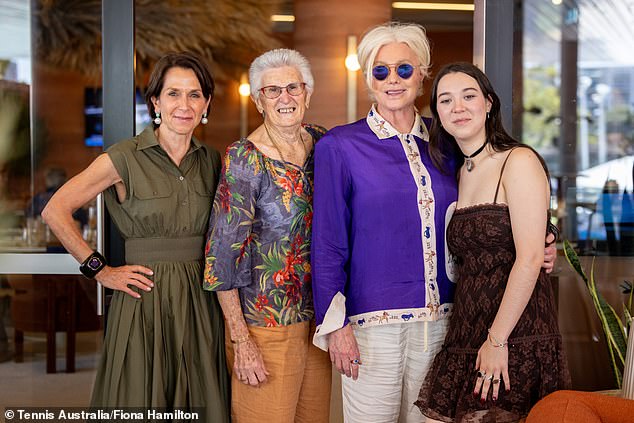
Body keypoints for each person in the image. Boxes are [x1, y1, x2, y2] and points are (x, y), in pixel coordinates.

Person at [310, 22, 557, 423]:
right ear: (368, 78)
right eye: (381, 70)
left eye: (404, 69)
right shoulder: (340, 146)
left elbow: (490, 203)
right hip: (373, 328)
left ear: (422, 73)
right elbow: (327, 244)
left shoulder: (445, 146)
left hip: (447, 325)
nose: (393, 80)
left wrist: (545, 236)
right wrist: (335, 325)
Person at [42, 52, 230, 421]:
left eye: (195, 95)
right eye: (173, 94)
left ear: (206, 103)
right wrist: (100, 270)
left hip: (201, 300)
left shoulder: (212, 160)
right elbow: (55, 210)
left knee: (201, 399)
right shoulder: (123, 157)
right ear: (156, 101)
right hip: (145, 298)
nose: (184, 104)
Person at [415, 62, 570, 422]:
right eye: (446, 100)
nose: (458, 107)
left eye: (469, 96)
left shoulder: (517, 160)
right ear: (437, 113)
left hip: (514, 332)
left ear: (488, 104)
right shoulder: (457, 171)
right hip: (468, 329)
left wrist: (497, 341)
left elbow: (530, 258)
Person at [203, 48, 331, 423]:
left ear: (307, 93)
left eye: (293, 87)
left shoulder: (323, 144)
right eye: (272, 91)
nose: (285, 98)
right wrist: (241, 339)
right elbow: (222, 255)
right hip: (266, 325)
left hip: (318, 321)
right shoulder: (245, 158)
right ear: (258, 100)